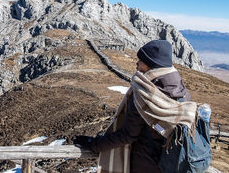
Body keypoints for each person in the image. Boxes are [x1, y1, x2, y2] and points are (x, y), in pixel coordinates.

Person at [74, 39, 195, 173]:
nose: (136, 64)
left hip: (145, 163)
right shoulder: (182, 92)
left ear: (151, 64)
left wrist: (93, 144)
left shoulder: (143, 95)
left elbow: (128, 134)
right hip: (172, 164)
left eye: (141, 61)